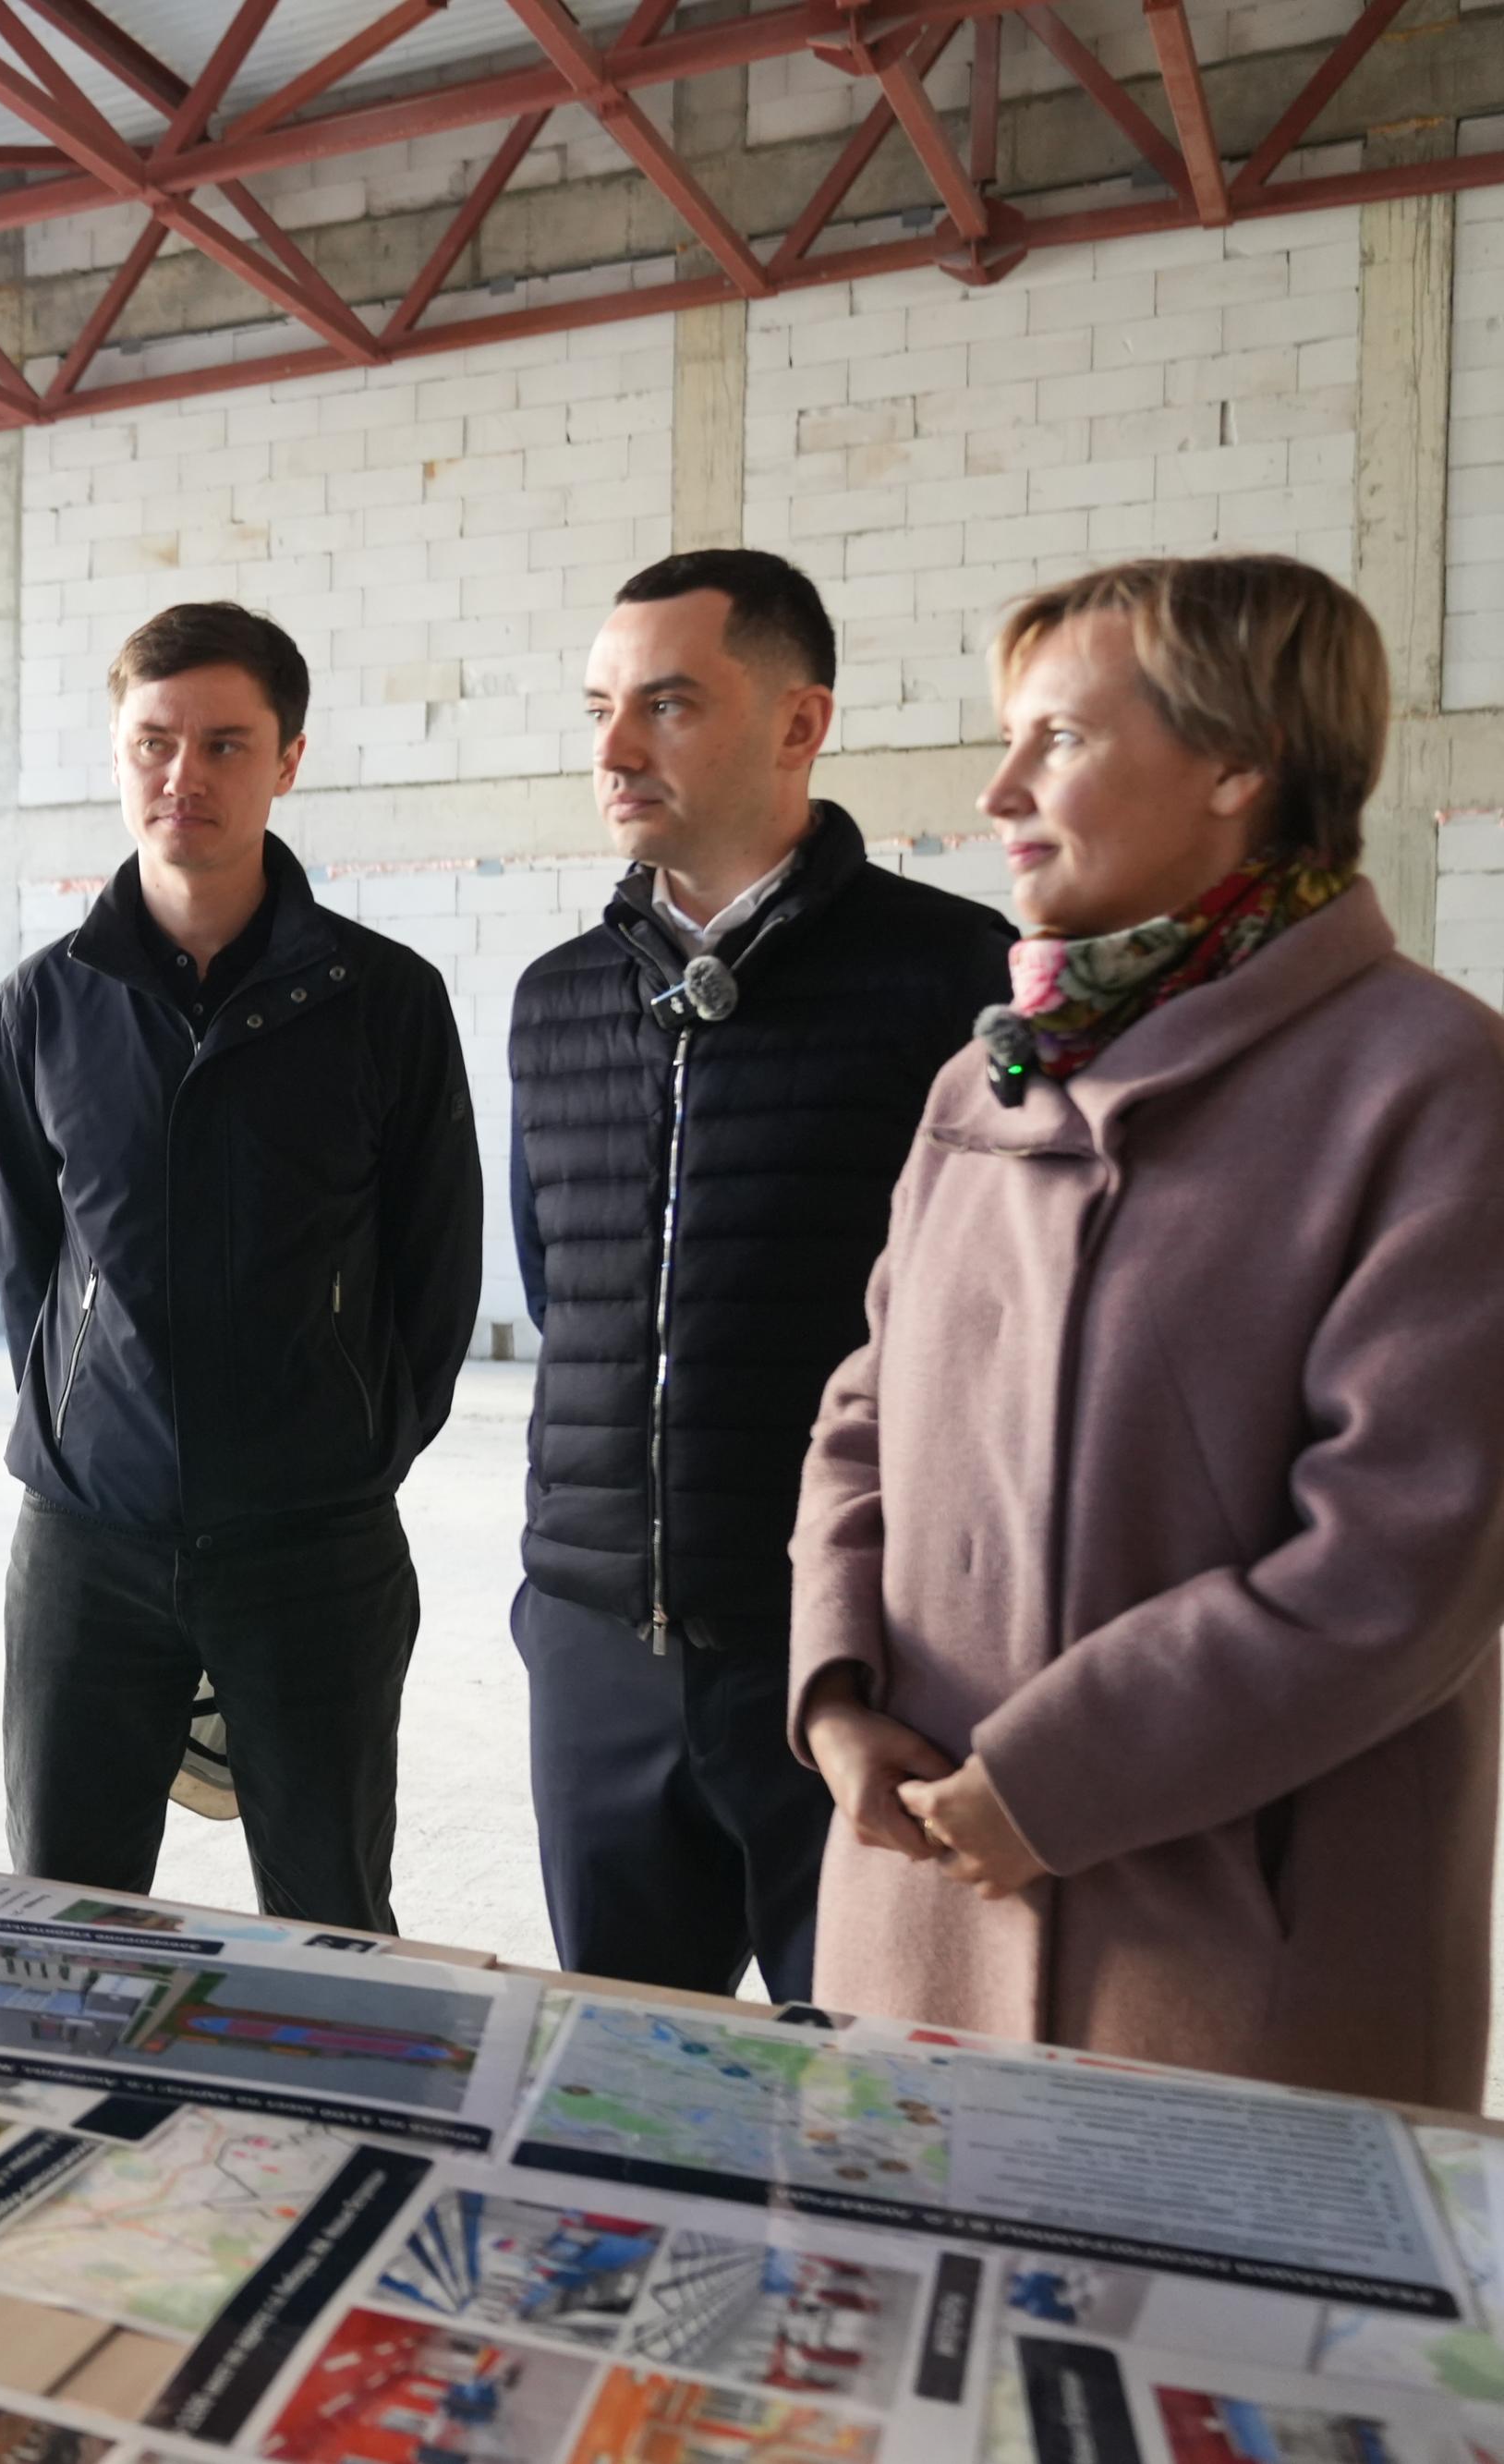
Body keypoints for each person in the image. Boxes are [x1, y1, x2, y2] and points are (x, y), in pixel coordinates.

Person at [794, 553, 1504, 2104]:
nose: (998, 792)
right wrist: (837, 1696)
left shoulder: (1434, 1084)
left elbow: (1405, 1559)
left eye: (1057, 739)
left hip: (1242, 1953)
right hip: (923, 1906)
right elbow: (865, 1413)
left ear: (1242, 762)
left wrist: (1054, 1782)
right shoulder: (988, 1079)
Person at [505, 551, 1010, 2003]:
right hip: (596, 1653)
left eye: (666, 705)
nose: (614, 749)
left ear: (800, 724)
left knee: (854, 2080)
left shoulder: (951, 978)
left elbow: (995, 1334)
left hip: (845, 1660)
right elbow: (559, 1296)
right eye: (600, 708)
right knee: (616, 2071)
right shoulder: (557, 999)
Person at [0, 601, 480, 1924]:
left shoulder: (384, 1000)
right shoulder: (45, 1003)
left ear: (288, 760)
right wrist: (86, 1426)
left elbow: (436, 1270)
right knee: (63, 1924)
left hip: (313, 1546)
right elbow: (32, 1264)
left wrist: (353, 1445)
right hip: (88, 1545)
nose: (182, 775)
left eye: (224, 744)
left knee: (331, 1918)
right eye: (153, 741)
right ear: (117, 752)